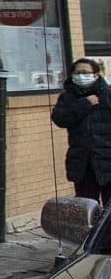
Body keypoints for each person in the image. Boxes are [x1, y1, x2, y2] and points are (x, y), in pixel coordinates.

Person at [51, 57, 111, 205]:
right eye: (77, 73)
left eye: (85, 72)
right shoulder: (67, 97)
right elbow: (60, 119)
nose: (81, 76)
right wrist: (85, 103)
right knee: (86, 208)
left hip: (107, 160)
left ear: (96, 75)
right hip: (82, 164)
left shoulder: (107, 94)